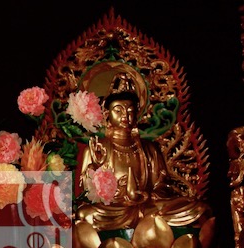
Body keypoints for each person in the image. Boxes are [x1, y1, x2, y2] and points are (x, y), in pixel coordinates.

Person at [76, 73, 209, 231]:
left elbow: (162, 183)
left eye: (130, 111)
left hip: (146, 207)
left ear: (137, 114)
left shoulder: (149, 148)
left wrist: (150, 195)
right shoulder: (97, 147)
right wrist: (96, 169)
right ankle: (150, 228)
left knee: (197, 207)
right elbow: (86, 191)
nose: (125, 116)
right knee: (85, 214)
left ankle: (149, 225)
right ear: (107, 114)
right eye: (118, 110)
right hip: (114, 210)